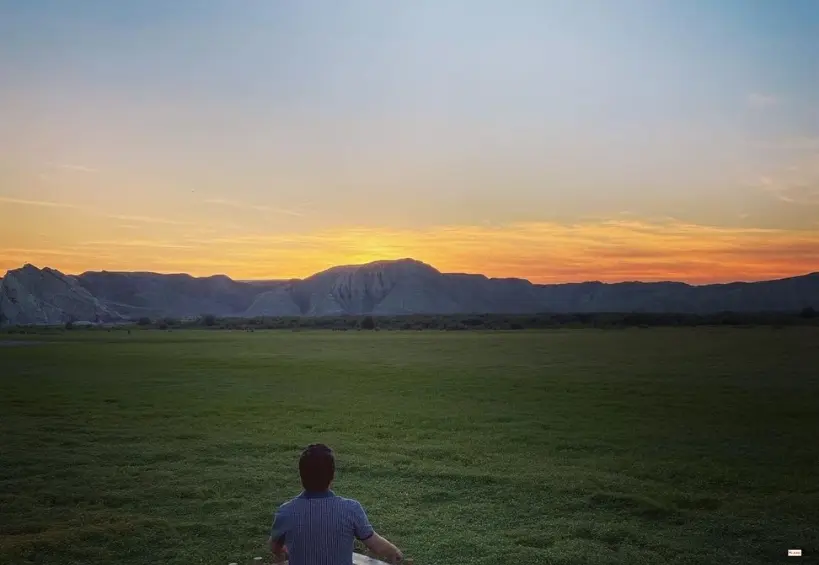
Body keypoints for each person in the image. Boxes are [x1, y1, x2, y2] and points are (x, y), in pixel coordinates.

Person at [268, 443, 404, 565]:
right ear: (332, 475)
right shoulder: (350, 509)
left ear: (301, 475)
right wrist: (395, 551)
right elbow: (376, 545)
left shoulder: (285, 512)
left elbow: (275, 548)